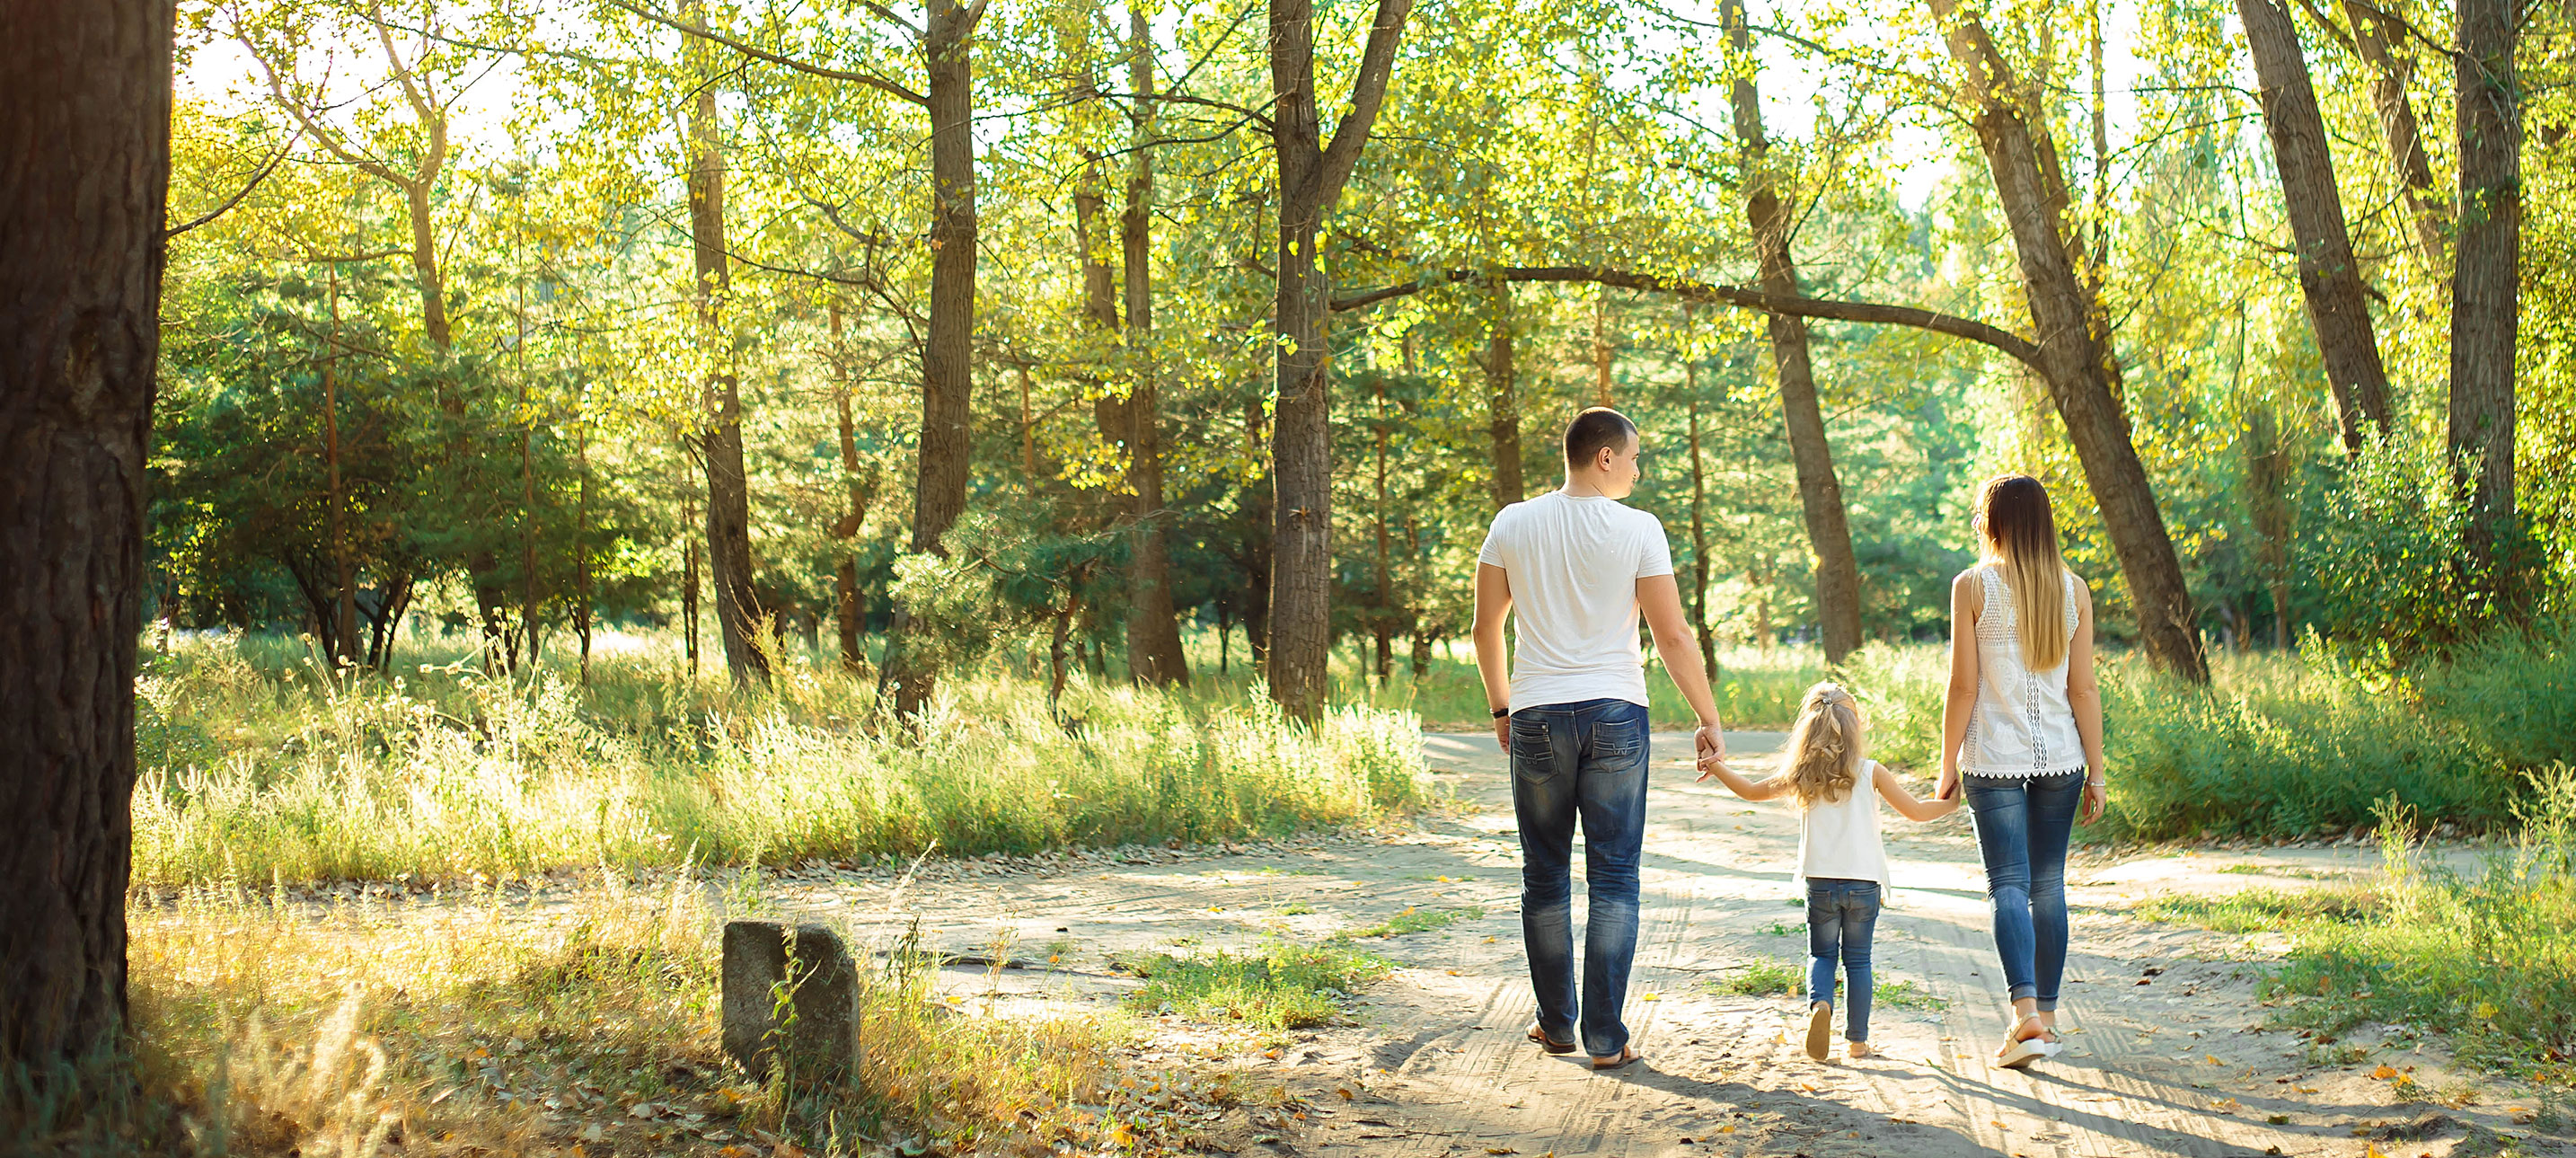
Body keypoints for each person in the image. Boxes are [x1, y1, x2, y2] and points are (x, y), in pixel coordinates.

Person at [1472, 407, 1729, 1072]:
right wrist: (1708, 716)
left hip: (1535, 713)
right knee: (1614, 877)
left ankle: (1556, 1025)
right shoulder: (1639, 529)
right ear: (1604, 457)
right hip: (1617, 711)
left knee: (1544, 875)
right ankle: (1607, 1038)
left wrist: (1503, 707)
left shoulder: (1511, 522)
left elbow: (1485, 628)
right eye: (1634, 456)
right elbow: (1670, 636)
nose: (1638, 469)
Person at [1935, 474, 2109, 1069]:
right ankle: (2049, 1022)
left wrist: (1945, 762)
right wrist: (2099, 771)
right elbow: (2083, 688)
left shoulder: (1973, 585)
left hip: (1994, 759)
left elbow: (1963, 685)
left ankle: (2025, 1015)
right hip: (2062, 756)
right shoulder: (2074, 589)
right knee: (2048, 884)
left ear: (1993, 522)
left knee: (2007, 884)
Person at [1697, 683, 1957, 1061]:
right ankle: (1857, 1042)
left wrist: (1714, 764)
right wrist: (1950, 804)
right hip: (1863, 883)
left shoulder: (1802, 773)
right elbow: (1916, 811)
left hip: (1819, 882)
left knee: (1821, 955)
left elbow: (1751, 792)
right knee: (1859, 960)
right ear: (1855, 728)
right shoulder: (1871, 772)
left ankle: (1820, 1006)